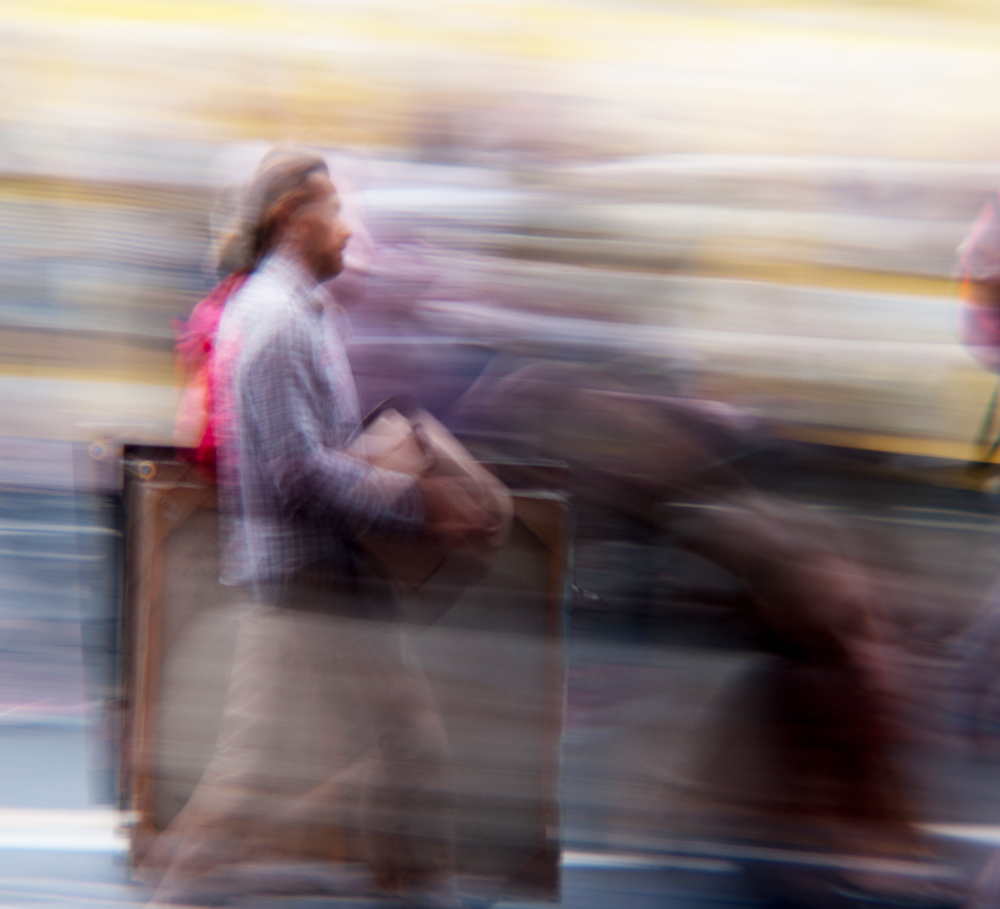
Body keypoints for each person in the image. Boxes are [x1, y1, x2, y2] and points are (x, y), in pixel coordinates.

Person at [146, 148, 489, 907]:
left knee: (404, 746)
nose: (350, 229)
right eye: (337, 210)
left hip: (326, 575)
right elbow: (297, 471)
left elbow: (311, 457)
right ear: (292, 220)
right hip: (302, 582)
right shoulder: (273, 321)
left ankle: (412, 885)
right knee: (250, 782)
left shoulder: (300, 312)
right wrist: (417, 502)